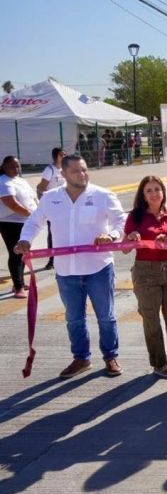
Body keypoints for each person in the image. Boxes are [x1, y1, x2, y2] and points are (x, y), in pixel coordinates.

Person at [16, 154, 127, 378]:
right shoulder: (50, 198)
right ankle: (81, 358)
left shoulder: (102, 195)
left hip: (98, 268)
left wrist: (112, 235)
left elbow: (121, 221)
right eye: (76, 171)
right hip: (66, 272)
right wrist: (25, 239)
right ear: (63, 174)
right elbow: (34, 221)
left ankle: (110, 356)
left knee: (106, 316)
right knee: (74, 319)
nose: (82, 174)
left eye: (84, 170)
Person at [124, 176, 167, 379]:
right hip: (146, 273)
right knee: (151, 318)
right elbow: (126, 249)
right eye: (149, 191)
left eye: (157, 189)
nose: (154, 194)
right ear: (143, 195)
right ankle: (159, 363)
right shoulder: (135, 217)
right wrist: (131, 239)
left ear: (163, 192)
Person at [0, 156, 39, 298]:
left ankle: (20, 282)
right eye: (12, 166)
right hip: (11, 223)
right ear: (4, 167)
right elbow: (12, 203)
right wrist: (30, 214)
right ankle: (18, 288)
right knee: (15, 253)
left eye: (18, 166)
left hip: (25, 222)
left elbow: (33, 198)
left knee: (23, 253)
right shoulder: (3, 181)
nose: (16, 169)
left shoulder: (21, 180)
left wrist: (38, 212)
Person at [36, 147, 66, 269]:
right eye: (62, 155)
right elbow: (41, 187)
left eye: (65, 155)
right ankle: (51, 259)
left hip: (66, 205)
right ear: (56, 156)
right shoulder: (50, 170)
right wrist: (44, 203)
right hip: (54, 206)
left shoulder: (65, 169)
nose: (64, 157)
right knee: (52, 233)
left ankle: (64, 255)